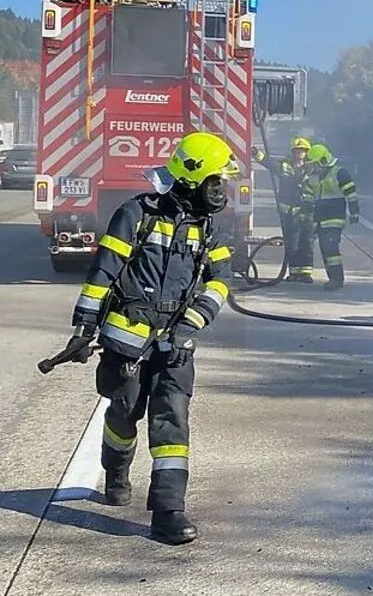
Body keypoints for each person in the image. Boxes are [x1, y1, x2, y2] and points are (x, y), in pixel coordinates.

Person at [60, 131, 239, 545]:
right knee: (123, 413)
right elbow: (104, 271)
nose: (221, 190)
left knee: (172, 422)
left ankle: (168, 511)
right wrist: (84, 328)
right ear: (191, 177)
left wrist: (190, 323)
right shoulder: (135, 214)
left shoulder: (211, 229)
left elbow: (220, 282)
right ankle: (115, 469)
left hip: (176, 347)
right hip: (128, 343)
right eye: (216, 181)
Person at [299, 143, 360, 291]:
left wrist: (354, 212)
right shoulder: (314, 177)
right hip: (319, 218)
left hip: (334, 217)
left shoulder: (340, 173)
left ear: (324, 161)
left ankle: (337, 279)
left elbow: (351, 194)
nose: (313, 167)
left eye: (315, 164)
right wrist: (306, 204)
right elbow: (307, 191)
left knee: (330, 246)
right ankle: (332, 278)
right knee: (325, 248)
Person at [253, 136, 314, 282]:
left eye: (302, 151)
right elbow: (270, 163)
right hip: (289, 213)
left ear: (307, 152)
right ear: (292, 152)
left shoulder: (313, 168)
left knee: (306, 243)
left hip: (307, 213)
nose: (299, 154)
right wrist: (257, 155)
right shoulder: (285, 166)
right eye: (297, 151)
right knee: (292, 243)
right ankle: (294, 273)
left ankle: (305, 273)